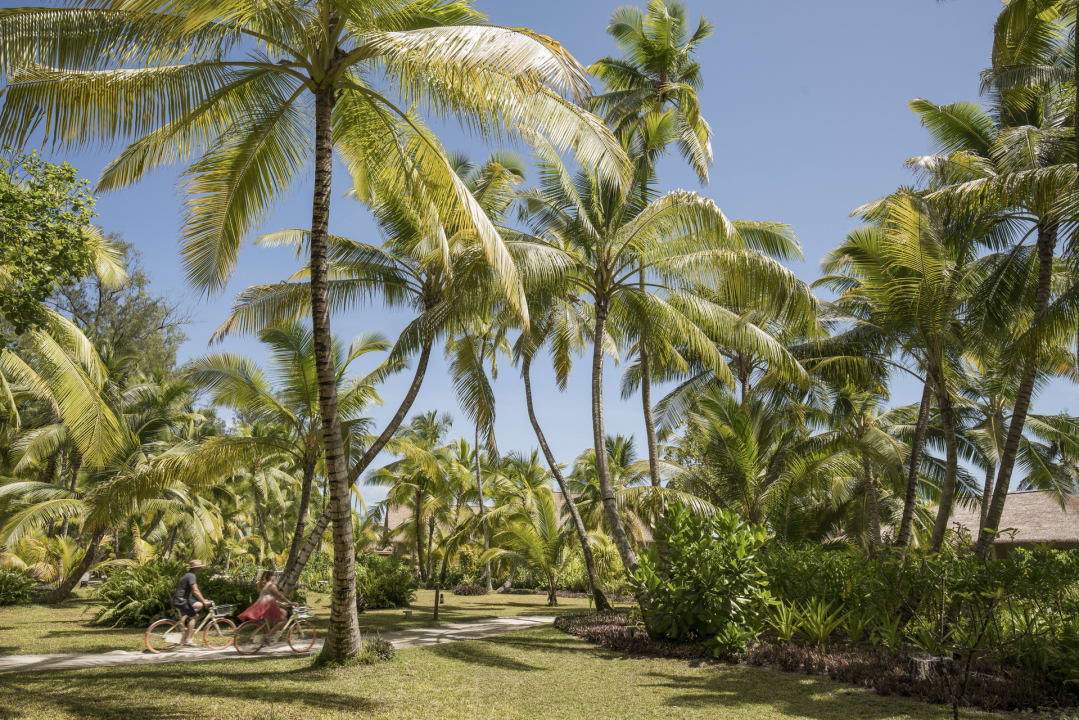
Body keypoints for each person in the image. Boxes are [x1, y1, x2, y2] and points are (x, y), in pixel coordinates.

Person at [238, 570, 294, 638]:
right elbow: (280, 596)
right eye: (274, 576)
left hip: (262, 606)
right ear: (270, 577)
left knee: (284, 613)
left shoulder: (266, 585)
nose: (275, 577)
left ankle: (274, 633)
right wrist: (291, 603)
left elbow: (268, 598)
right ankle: (269, 636)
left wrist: (281, 604)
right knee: (284, 620)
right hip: (266, 607)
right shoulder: (272, 586)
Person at [174, 560, 212, 647]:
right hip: (181, 601)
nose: (200, 569)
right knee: (195, 616)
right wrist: (204, 601)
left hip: (182, 599)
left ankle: (183, 621)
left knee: (199, 605)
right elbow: (195, 591)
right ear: (197, 568)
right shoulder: (191, 576)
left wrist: (202, 601)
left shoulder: (188, 575)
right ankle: (187, 640)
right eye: (200, 568)